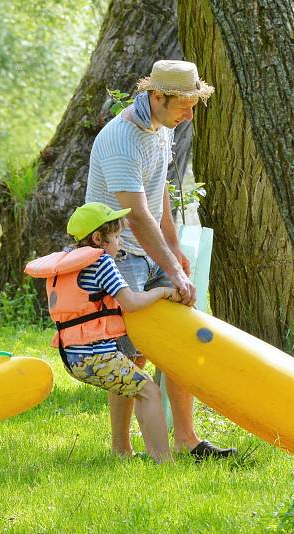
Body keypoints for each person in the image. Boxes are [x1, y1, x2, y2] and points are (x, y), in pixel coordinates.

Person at [85, 59, 236, 460]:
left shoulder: (160, 127)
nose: (189, 115)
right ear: (156, 96)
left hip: (153, 250)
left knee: (179, 344)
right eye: (183, 106)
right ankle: (121, 449)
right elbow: (135, 213)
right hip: (120, 255)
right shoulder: (122, 139)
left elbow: (160, 194)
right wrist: (169, 265)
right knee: (130, 354)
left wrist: (175, 254)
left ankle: (188, 441)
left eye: (192, 105)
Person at [25, 202, 180, 462]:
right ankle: (164, 461)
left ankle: (130, 453)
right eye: (117, 237)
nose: (120, 243)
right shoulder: (102, 263)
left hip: (73, 357)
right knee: (150, 391)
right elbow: (130, 302)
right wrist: (162, 292)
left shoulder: (68, 264)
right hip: (97, 356)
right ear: (99, 239)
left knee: (133, 387)